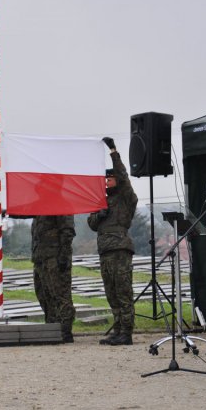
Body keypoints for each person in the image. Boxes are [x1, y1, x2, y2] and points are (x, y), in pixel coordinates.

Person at [88, 137, 138, 346]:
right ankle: (117, 329)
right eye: (105, 179)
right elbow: (91, 223)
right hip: (105, 251)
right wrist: (99, 214)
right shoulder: (101, 200)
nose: (107, 182)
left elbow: (124, 176)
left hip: (119, 249)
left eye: (110, 179)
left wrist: (113, 151)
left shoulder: (125, 197)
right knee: (111, 293)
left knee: (123, 291)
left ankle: (126, 332)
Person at [31, 215, 77, 343]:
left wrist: (63, 256)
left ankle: (65, 331)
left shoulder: (61, 205)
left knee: (60, 295)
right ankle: (52, 327)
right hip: (40, 258)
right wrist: (7, 212)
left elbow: (67, 232)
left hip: (55, 258)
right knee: (44, 295)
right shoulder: (40, 208)